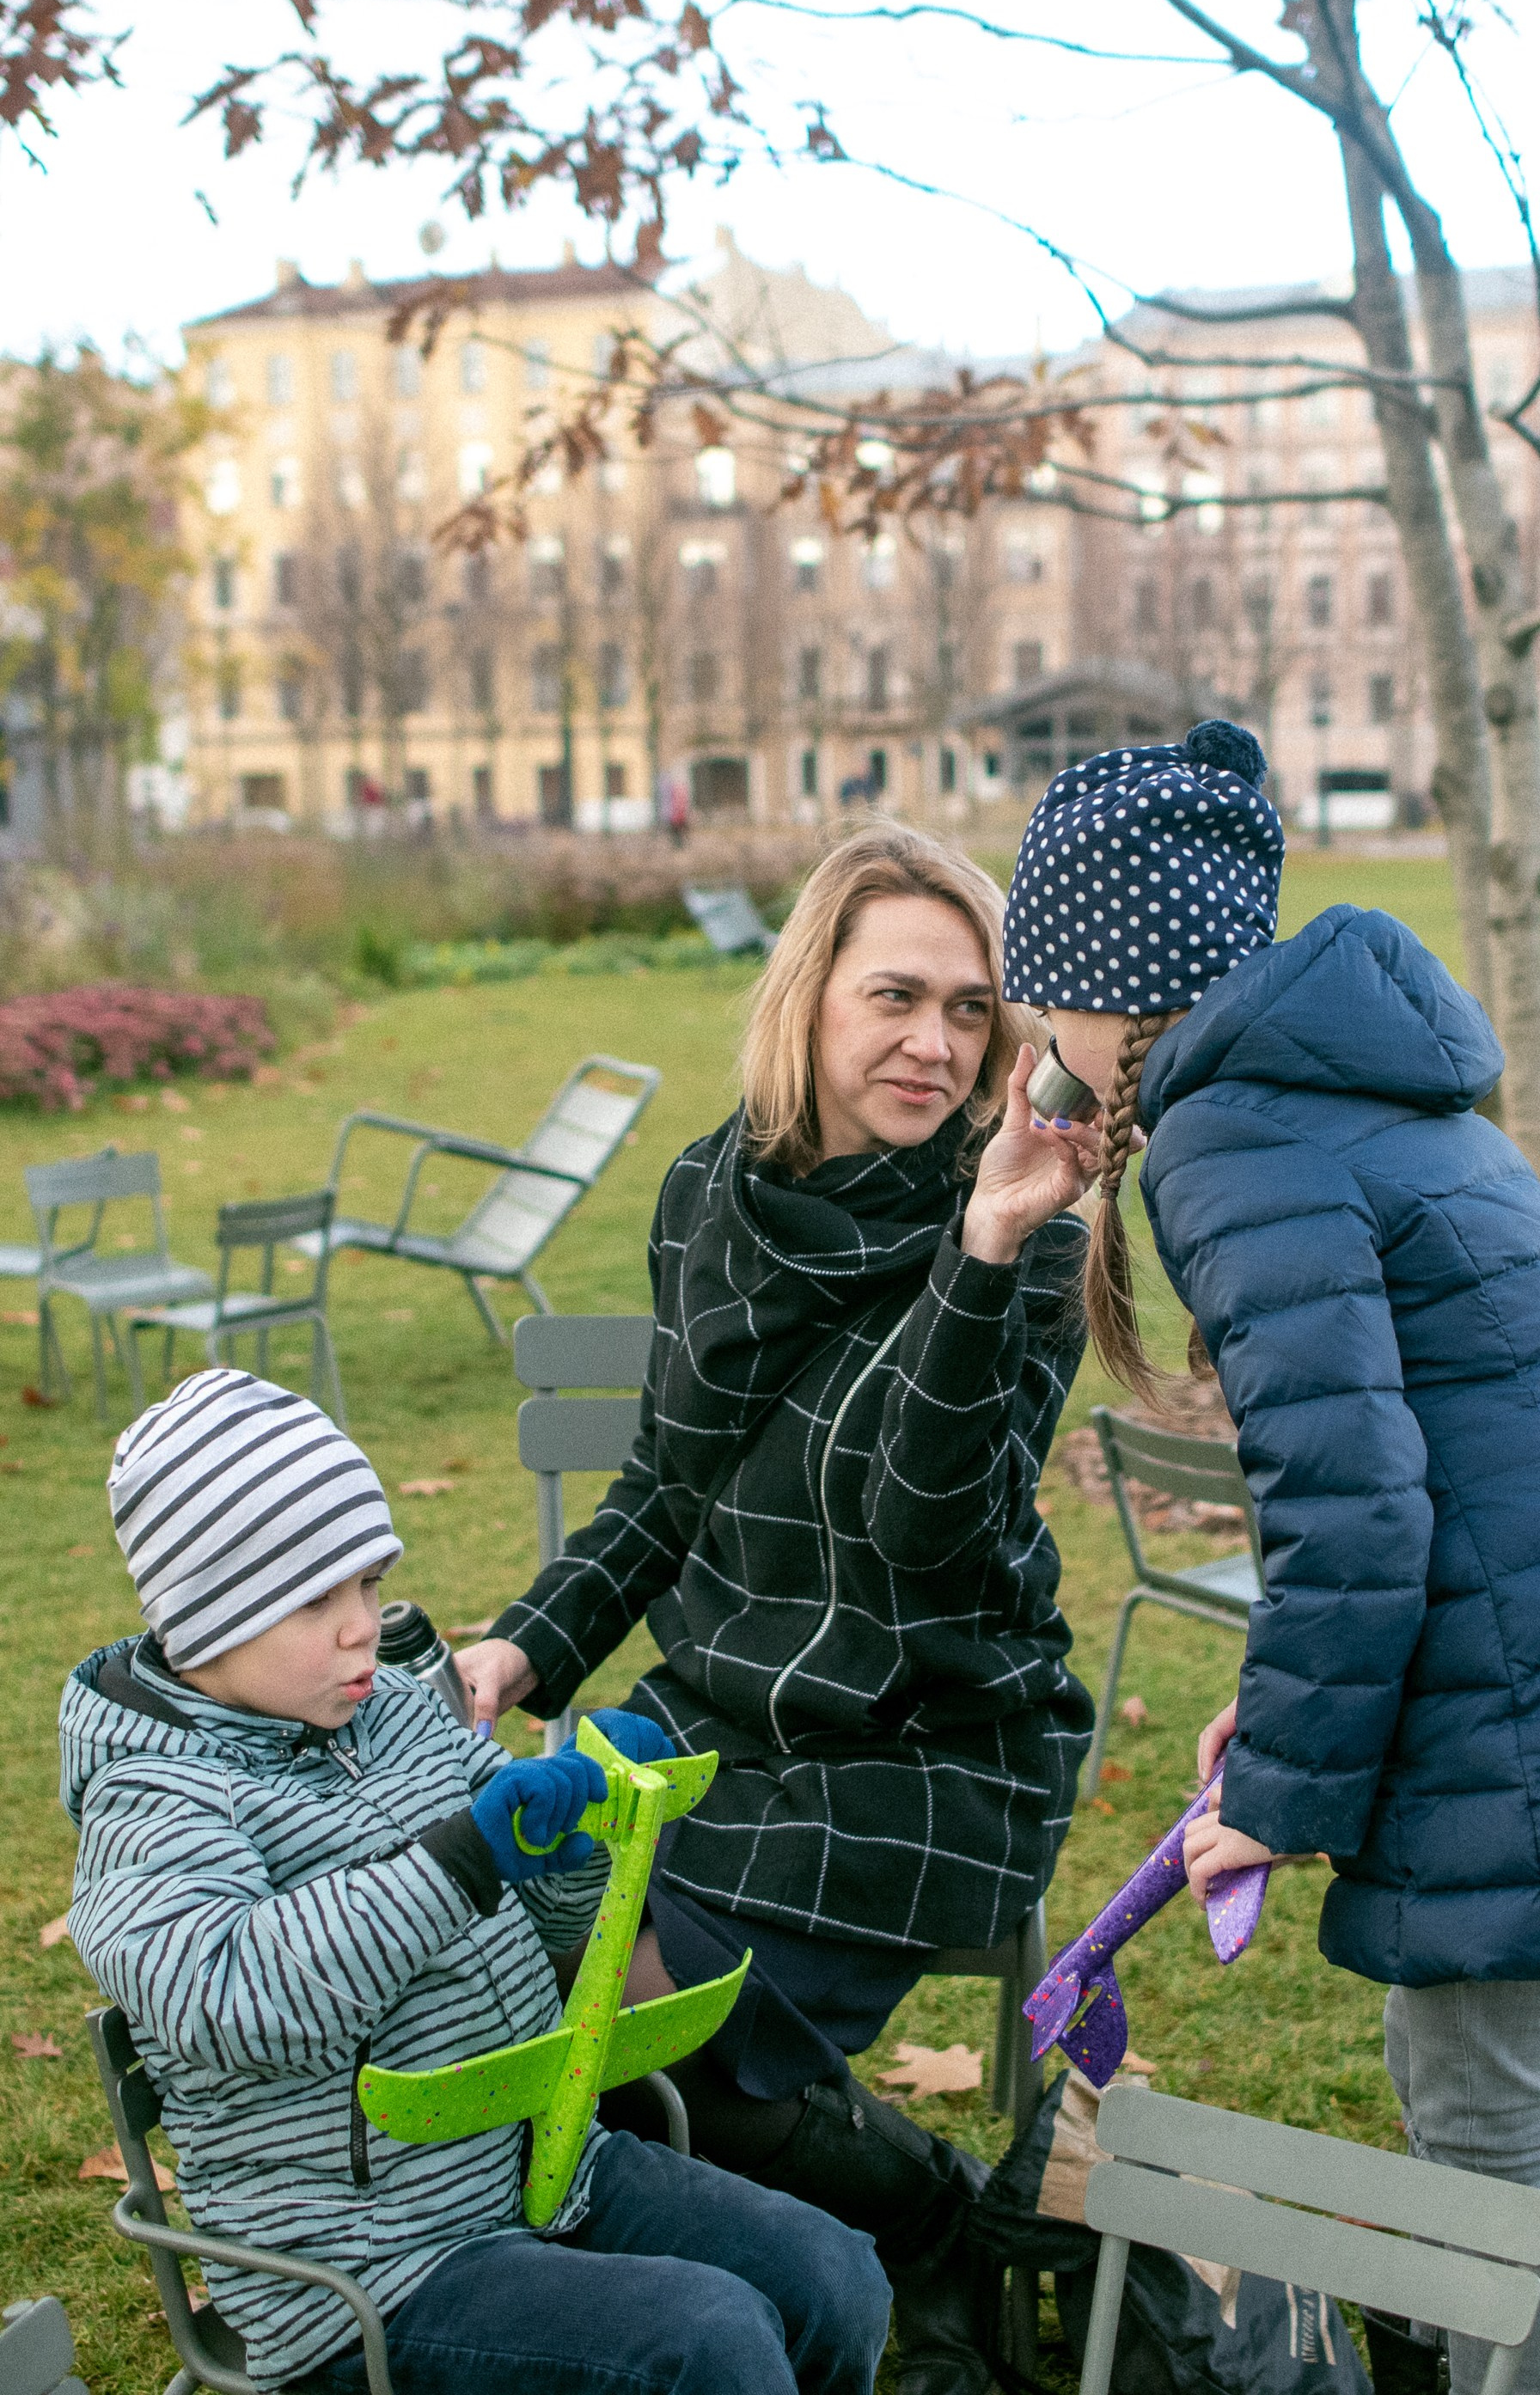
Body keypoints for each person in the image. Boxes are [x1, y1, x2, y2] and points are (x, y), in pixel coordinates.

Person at [998, 719, 1540, 2395]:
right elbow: (1434, 1465)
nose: (1035, 1046)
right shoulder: (1352, 1088)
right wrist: (1272, 1740)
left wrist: (1286, 1789)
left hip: (1522, 1717)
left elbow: (1356, 1508)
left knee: (1479, 2169)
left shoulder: (1226, 1147)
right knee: (1483, 2130)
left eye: (1045, 1002)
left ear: (1108, 990)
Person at [457, 826, 1101, 2395]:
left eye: (970, 1010)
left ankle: (925, 2220)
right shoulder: (706, 1196)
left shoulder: (1029, 1224)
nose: (934, 1043)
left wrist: (982, 1248)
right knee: (494, 1945)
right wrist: (518, 1645)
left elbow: (924, 1531)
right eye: (896, 995)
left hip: (927, 1742)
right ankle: (758, 2253)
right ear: (808, 996)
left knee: (629, 2015)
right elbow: (664, 1493)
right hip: (721, 1708)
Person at [62, 1367, 890, 2395]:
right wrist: (457, 1862)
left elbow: (549, 1921)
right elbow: (233, 2000)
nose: (361, 1623)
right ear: (206, 1619)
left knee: (831, 2274)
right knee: (706, 2342)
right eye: (315, 1599)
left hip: (540, 2168)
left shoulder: (400, 1713)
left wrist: (590, 1835)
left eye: (367, 1581)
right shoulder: (154, 1801)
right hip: (362, 2268)